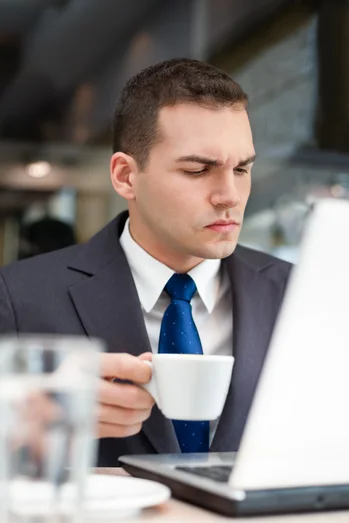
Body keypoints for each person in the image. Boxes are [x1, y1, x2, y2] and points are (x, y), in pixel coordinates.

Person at [0, 58, 291, 466]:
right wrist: (17, 425)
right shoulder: (17, 297)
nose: (230, 194)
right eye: (197, 170)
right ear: (125, 176)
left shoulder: (297, 294)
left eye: (241, 168)